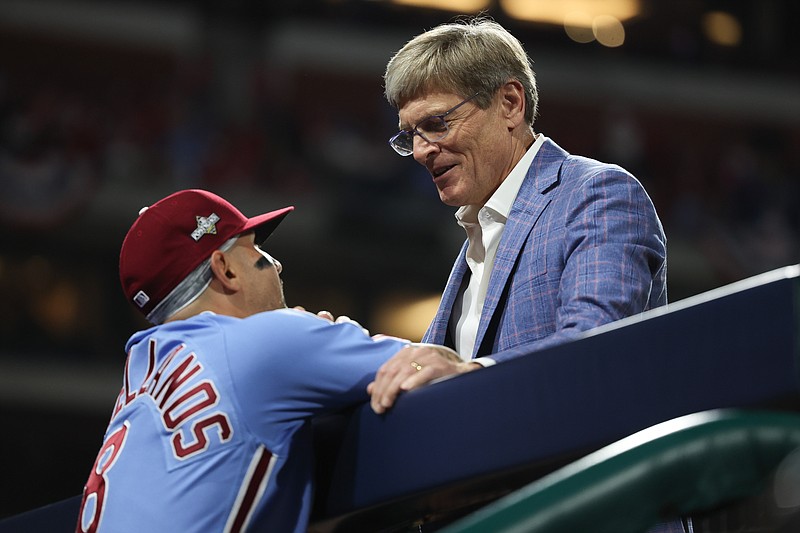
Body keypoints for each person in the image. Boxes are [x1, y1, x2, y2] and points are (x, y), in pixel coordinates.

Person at [75, 189, 459, 533]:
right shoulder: (271, 339)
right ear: (224, 270)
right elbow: (436, 371)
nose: (275, 265)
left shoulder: (137, 378)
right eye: (257, 250)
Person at [368, 17, 666, 417]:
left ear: (510, 103)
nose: (421, 151)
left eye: (436, 124)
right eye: (410, 135)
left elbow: (595, 343)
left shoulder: (597, 193)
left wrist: (473, 371)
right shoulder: (481, 229)